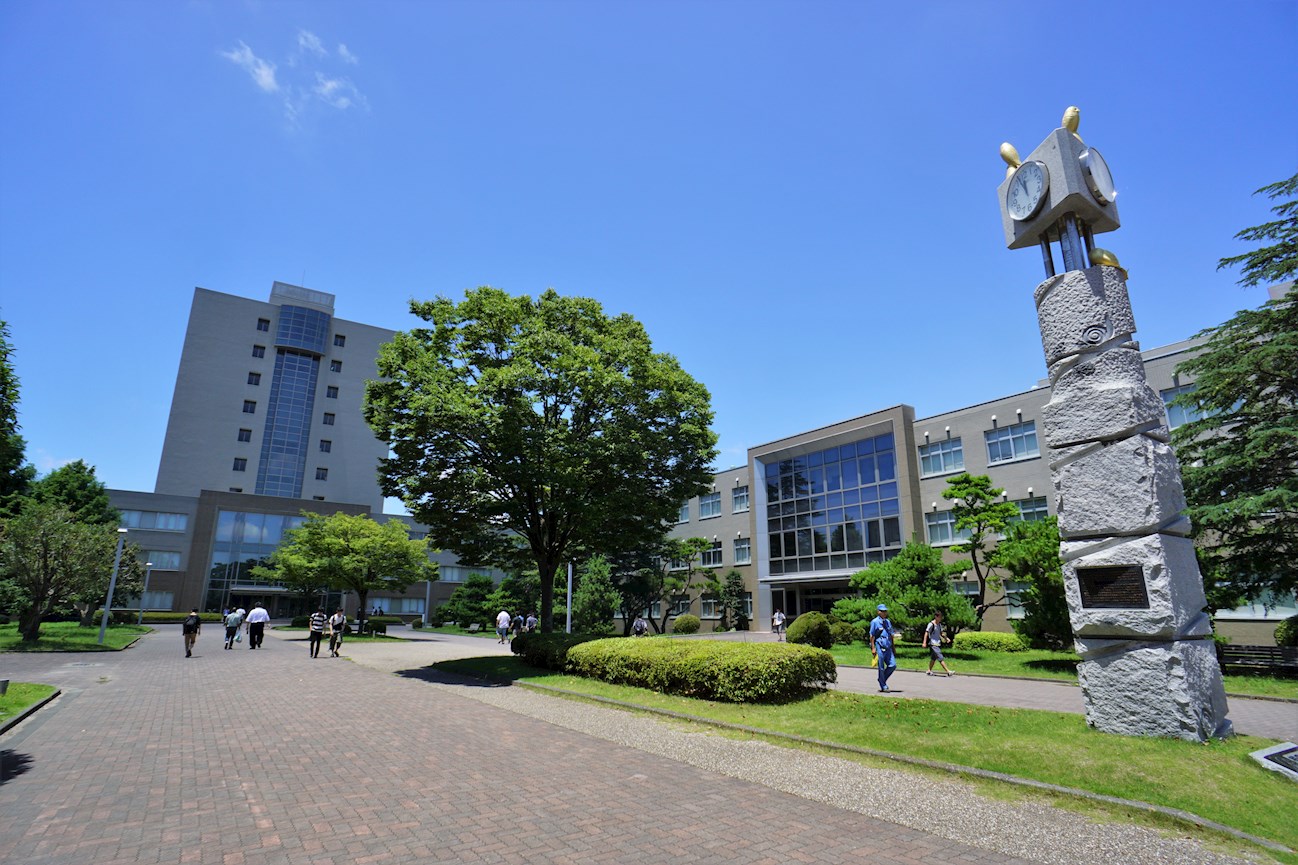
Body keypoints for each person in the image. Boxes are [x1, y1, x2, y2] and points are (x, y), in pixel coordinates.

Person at [870, 604, 898, 692]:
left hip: (888, 646)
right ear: (878, 612)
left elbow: (891, 635)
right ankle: (883, 685)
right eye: (882, 611)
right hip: (880, 645)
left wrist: (893, 647)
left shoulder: (888, 622)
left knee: (892, 665)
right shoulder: (874, 622)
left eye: (885, 611)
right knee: (881, 667)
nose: (884, 613)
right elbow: (872, 636)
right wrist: (873, 648)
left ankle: (882, 679)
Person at [923, 611, 954, 677]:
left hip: (938, 643)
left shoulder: (939, 625)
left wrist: (946, 638)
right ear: (936, 617)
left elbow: (941, 633)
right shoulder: (931, 624)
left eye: (941, 617)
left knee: (933, 658)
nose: (940, 619)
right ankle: (948, 671)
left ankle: (929, 671)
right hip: (933, 644)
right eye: (939, 617)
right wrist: (924, 642)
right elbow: (926, 633)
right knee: (940, 657)